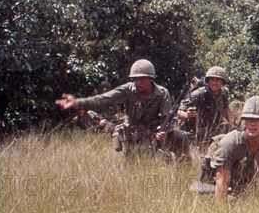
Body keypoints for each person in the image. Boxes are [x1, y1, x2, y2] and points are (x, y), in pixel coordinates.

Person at [55, 59, 189, 159]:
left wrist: (164, 132)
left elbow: (167, 117)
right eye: (136, 79)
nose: (138, 82)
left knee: (181, 136)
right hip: (135, 134)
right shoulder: (127, 90)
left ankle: (183, 169)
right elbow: (103, 99)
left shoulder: (163, 93)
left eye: (142, 79)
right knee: (138, 164)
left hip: (156, 132)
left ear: (151, 79)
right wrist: (78, 102)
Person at [192, 96, 259, 203]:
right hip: (211, 190)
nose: (252, 123)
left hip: (240, 191)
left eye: (258, 120)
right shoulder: (230, 143)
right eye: (248, 119)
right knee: (236, 202)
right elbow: (221, 183)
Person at [177, 66, 233, 148]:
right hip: (196, 132)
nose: (214, 83)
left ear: (222, 82)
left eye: (217, 80)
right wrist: (186, 115)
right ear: (207, 81)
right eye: (212, 80)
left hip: (213, 129)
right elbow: (178, 112)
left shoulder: (224, 92)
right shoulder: (198, 94)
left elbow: (226, 109)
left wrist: (232, 124)